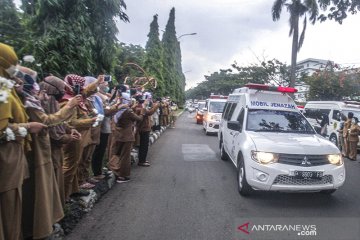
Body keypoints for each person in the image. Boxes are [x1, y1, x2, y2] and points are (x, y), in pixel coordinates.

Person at [18, 66, 81, 239]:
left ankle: (50, 220)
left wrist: (68, 129)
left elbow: (57, 121)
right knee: (38, 191)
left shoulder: (38, 99)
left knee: (50, 188)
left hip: (47, 152)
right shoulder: (29, 100)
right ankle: (37, 229)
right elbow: (48, 121)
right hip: (38, 153)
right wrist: (69, 106)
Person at [0, 43, 46, 240]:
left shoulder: (7, 89)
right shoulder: (2, 93)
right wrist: (28, 127)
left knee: (13, 209)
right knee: (8, 210)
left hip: (12, 157)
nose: (16, 69)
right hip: (6, 159)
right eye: (12, 64)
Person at [39, 76, 82, 207]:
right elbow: (51, 126)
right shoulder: (42, 103)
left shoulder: (53, 102)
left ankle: (58, 207)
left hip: (56, 153)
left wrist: (69, 130)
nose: (63, 93)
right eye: (61, 90)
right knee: (49, 183)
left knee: (58, 178)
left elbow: (60, 122)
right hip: (47, 153)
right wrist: (68, 137)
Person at [108, 92, 145, 183]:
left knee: (116, 153)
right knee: (125, 156)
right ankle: (123, 176)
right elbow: (139, 119)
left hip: (118, 134)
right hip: (127, 136)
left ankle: (115, 169)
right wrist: (142, 112)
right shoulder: (128, 111)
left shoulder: (117, 109)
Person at [134, 97, 160, 167]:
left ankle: (143, 159)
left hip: (145, 129)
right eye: (145, 101)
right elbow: (150, 112)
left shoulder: (142, 108)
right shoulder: (140, 109)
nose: (147, 102)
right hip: (143, 129)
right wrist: (156, 105)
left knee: (144, 146)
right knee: (143, 146)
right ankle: (141, 161)